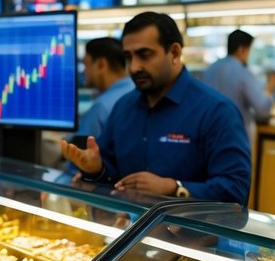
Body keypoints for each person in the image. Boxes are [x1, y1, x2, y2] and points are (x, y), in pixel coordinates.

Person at [60, 12, 251, 205]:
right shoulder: (124, 107)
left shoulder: (216, 111)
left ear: (175, 53)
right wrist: (95, 169)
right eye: (129, 57)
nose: (134, 67)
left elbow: (236, 188)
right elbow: (111, 174)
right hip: (130, 231)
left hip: (192, 233)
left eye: (145, 55)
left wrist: (174, 188)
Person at [203, 29, 275, 133]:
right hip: (235, 134)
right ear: (241, 49)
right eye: (249, 50)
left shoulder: (210, 69)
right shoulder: (243, 72)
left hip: (209, 132)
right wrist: (271, 86)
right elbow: (262, 109)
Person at [70, 37, 133, 145]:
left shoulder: (101, 107)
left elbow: (79, 156)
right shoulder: (137, 90)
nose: (84, 71)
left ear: (101, 64)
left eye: (86, 65)